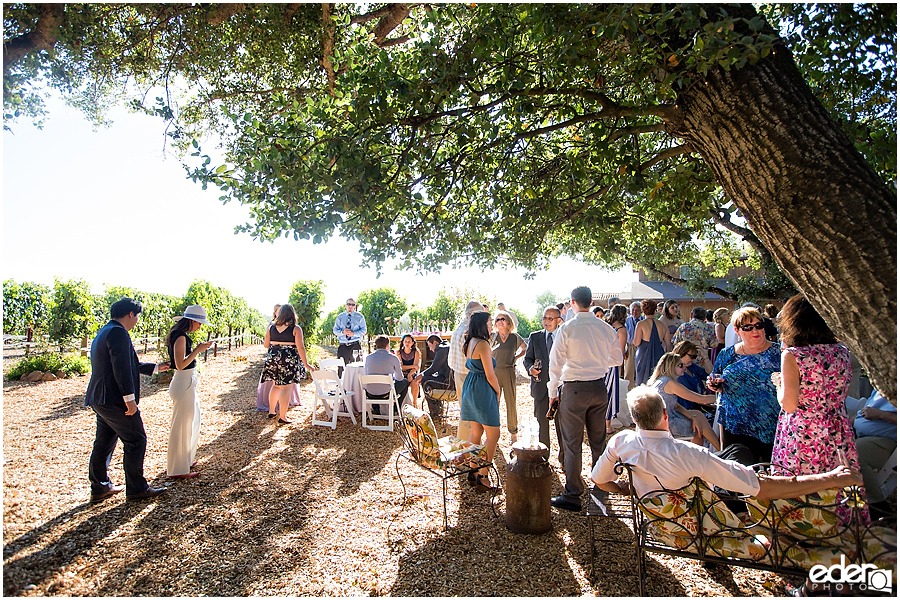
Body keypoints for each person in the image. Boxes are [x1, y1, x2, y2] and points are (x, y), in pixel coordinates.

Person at [591, 385, 862, 508]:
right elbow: (762, 489)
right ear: (665, 415)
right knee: (739, 454)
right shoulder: (689, 454)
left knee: (735, 452)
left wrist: (625, 489)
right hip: (701, 512)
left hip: (654, 510)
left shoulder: (620, 441)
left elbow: (599, 480)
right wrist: (832, 478)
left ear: (635, 418)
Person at [770, 294, 867, 522]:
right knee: (840, 483)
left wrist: (779, 385)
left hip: (804, 431)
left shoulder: (793, 355)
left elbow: (790, 404)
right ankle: (843, 527)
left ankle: (805, 529)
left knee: (803, 484)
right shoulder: (841, 351)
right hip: (837, 428)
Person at [84, 298, 168, 503]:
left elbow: (129, 364)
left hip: (100, 398)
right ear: (131, 314)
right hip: (114, 399)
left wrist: (155, 367)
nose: (138, 320)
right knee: (136, 439)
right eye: (138, 315)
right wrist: (129, 400)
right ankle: (137, 489)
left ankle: (100, 487)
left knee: (104, 442)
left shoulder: (105, 331)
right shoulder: (119, 333)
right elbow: (120, 369)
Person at [547, 286, 623, 512]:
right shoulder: (606, 328)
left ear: (572, 303)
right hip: (599, 387)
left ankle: (572, 493)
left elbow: (555, 364)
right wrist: (597, 363)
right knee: (598, 440)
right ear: (590, 301)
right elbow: (617, 358)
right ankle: (601, 485)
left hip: (574, 388)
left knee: (572, 443)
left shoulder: (568, 328)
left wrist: (553, 392)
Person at [708, 305, 781, 463]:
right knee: (739, 476)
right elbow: (717, 380)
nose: (755, 331)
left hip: (772, 425)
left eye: (758, 326)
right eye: (748, 327)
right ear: (737, 331)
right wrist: (715, 385)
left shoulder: (779, 353)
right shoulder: (726, 354)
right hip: (736, 425)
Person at [165, 305, 213, 479]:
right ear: (191, 321)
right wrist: (197, 351)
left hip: (186, 383)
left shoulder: (180, 336)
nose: (200, 327)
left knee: (192, 420)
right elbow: (180, 364)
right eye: (199, 323)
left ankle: (184, 460)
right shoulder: (181, 337)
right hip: (183, 382)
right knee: (182, 425)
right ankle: (178, 469)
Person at [459, 312, 502, 493]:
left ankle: (473, 470)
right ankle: (483, 476)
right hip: (482, 388)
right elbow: (490, 374)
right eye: (490, 322)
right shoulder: (483, 344)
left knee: (476, 432)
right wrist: (498, 391)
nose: (492, 324)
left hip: (470, 386)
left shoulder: (470, 342)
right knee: (494, 434)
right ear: (483, 324)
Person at [648, 353, 720, 450]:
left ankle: (713, 450)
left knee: (697, 415)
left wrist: (692, 416)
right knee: (699, 426)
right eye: (680, 365)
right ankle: (719, 450)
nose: (684, 368)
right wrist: (723, 396)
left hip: (663, 419)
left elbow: (676, 406)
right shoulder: (669, 383)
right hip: (666, 423)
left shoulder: (660, 380)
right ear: (671, 366)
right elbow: (701, 400)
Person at [523, 306, 565, 463]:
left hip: (561, 389)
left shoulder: (564, 336)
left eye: (550, 318)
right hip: (540, 388)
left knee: (562, 426)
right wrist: (530, 369)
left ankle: (565, 459)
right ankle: (543, 458)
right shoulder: (535, 337)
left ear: (558, 320)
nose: (546, 322)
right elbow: (527, 359)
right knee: (541, 425)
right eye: (544, 318)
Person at [262, 304, 314, 424]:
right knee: (286, 388)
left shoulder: (271, 327)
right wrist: (306, 364)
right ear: (292, 314)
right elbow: (300, 347)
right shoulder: (296, 329)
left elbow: (266, 345)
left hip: (273, 358)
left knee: (275, 385)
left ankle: (271, 411)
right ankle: (283, 416)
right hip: (288, 359)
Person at [849, 388, 897, 519]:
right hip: (861, 433)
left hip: (886, 441)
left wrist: (881, 414)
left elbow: (875, 411)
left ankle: (877, 505)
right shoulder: (882, 381)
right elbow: (866, 410)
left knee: (853, 453)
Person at [449, 300, 485, 442]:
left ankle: (469, 446)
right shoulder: (469, 330)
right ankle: (467, 450)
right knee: (470, 415)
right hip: (469, 375)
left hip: (459, 373)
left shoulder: (460, 326)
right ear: (473, 314)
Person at [490, 310, 526, 447]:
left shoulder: (514, 337)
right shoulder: (492, 336)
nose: (499, 321)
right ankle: (493, 431)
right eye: (497, 319)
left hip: (509, 371)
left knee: (511, 403)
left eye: (502, 319)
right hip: (494, 372)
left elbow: (525, 348)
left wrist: (516, 357)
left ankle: (513, 432)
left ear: (508, 322)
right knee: (494, 403)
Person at [364, 335, 415, 409]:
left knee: (376, 384)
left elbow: (367, 374)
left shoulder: (368, 358)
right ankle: (396, 408)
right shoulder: (393, 358)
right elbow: (400, 378)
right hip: (386, 393)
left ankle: (376, 409)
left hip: (370, 393)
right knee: (405, 382)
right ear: (388, 345)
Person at [672, 340, 714, 416]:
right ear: (681, 353)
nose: (693, 359)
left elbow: (710, 374)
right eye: (691, 356)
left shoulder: (691, 367)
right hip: (687, 410)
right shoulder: (677, 374)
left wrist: (706, 357)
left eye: (695, 356)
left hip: (699, 406)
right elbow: (694, 397)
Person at [633, 298, 668, 387]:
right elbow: (668, 344)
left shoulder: (641, 324)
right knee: (657, 380)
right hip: (658, 353)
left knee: (642, 383)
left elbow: (636, 343)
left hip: (643, 354)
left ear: (643, 310)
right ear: (655, 310)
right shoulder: (663, 325)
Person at [604, 304, 628, 433]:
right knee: (609, 393)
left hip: (599, 362)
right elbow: (620, 351)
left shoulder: (605, 326)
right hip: (611, 365)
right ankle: (607, 425)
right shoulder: (621, 330)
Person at [333, 298, 366, 376]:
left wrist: (354, 334)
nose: (350, 306)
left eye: (352, 305)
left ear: (355, 306)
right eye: (349, 304)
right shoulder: (340, 317)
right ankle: (341, 387)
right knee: (341, 368)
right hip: (343, 346)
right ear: (345, 305)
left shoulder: (360, 317)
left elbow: (364, 331)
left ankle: (356, 387)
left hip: (355, 345)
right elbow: (335, 330)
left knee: (357, 368)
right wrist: (342, 332)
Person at [421, 334, 451, 418]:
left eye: (430, 346)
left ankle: (434, 411)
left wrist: (421, 375)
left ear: (435, 343)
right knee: (429, 378)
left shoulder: (441, 349)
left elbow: (434, 368)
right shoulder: (447, 345)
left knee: (424, 380)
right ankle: (438, 407)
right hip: (450, 379)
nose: (430, 349)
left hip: (448, 383)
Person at [397, 334, 424, 408]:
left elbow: (416, 367)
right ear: (403, 342)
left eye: (409, 341)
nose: (407, 343)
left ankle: (415, 403)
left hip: (412, 373)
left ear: (412, 343)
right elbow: (401, 367)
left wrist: (410, 374)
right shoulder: (399, 352)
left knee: (415, 382)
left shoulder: (416, 352)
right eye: (405, 341)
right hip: (402, 373)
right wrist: (413, 366)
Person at [623, 302, 642, 390]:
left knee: (641, 370)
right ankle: (628, 390)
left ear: (641, 311)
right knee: (629, 371)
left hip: (641, 346)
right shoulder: (627, 320)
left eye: (637, 310)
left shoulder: (644, 320)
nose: (635, 312)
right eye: (633, 310)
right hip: (630, 346)